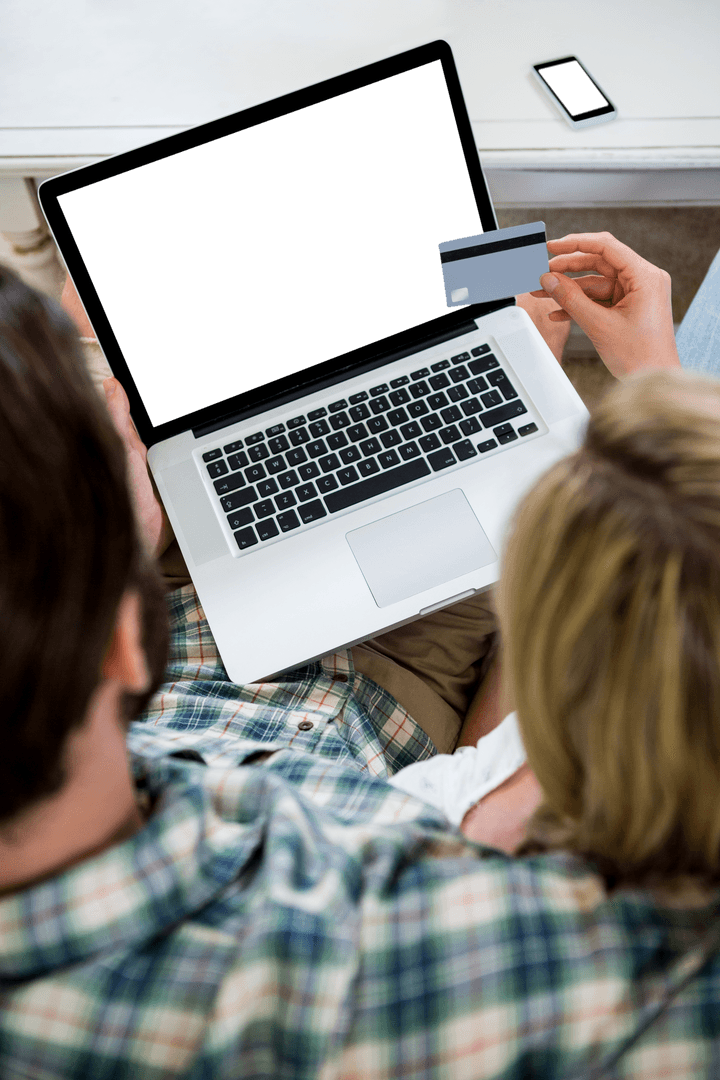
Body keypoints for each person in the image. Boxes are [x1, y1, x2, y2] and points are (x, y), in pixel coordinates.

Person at [2, 232, 720, 1078]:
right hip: (408, 682)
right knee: (466, 301)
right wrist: (657, 389)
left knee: (128, 308)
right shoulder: (463, 928)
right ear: (123, 642)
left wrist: (124, 532)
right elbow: (505, 767)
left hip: (175, 606)